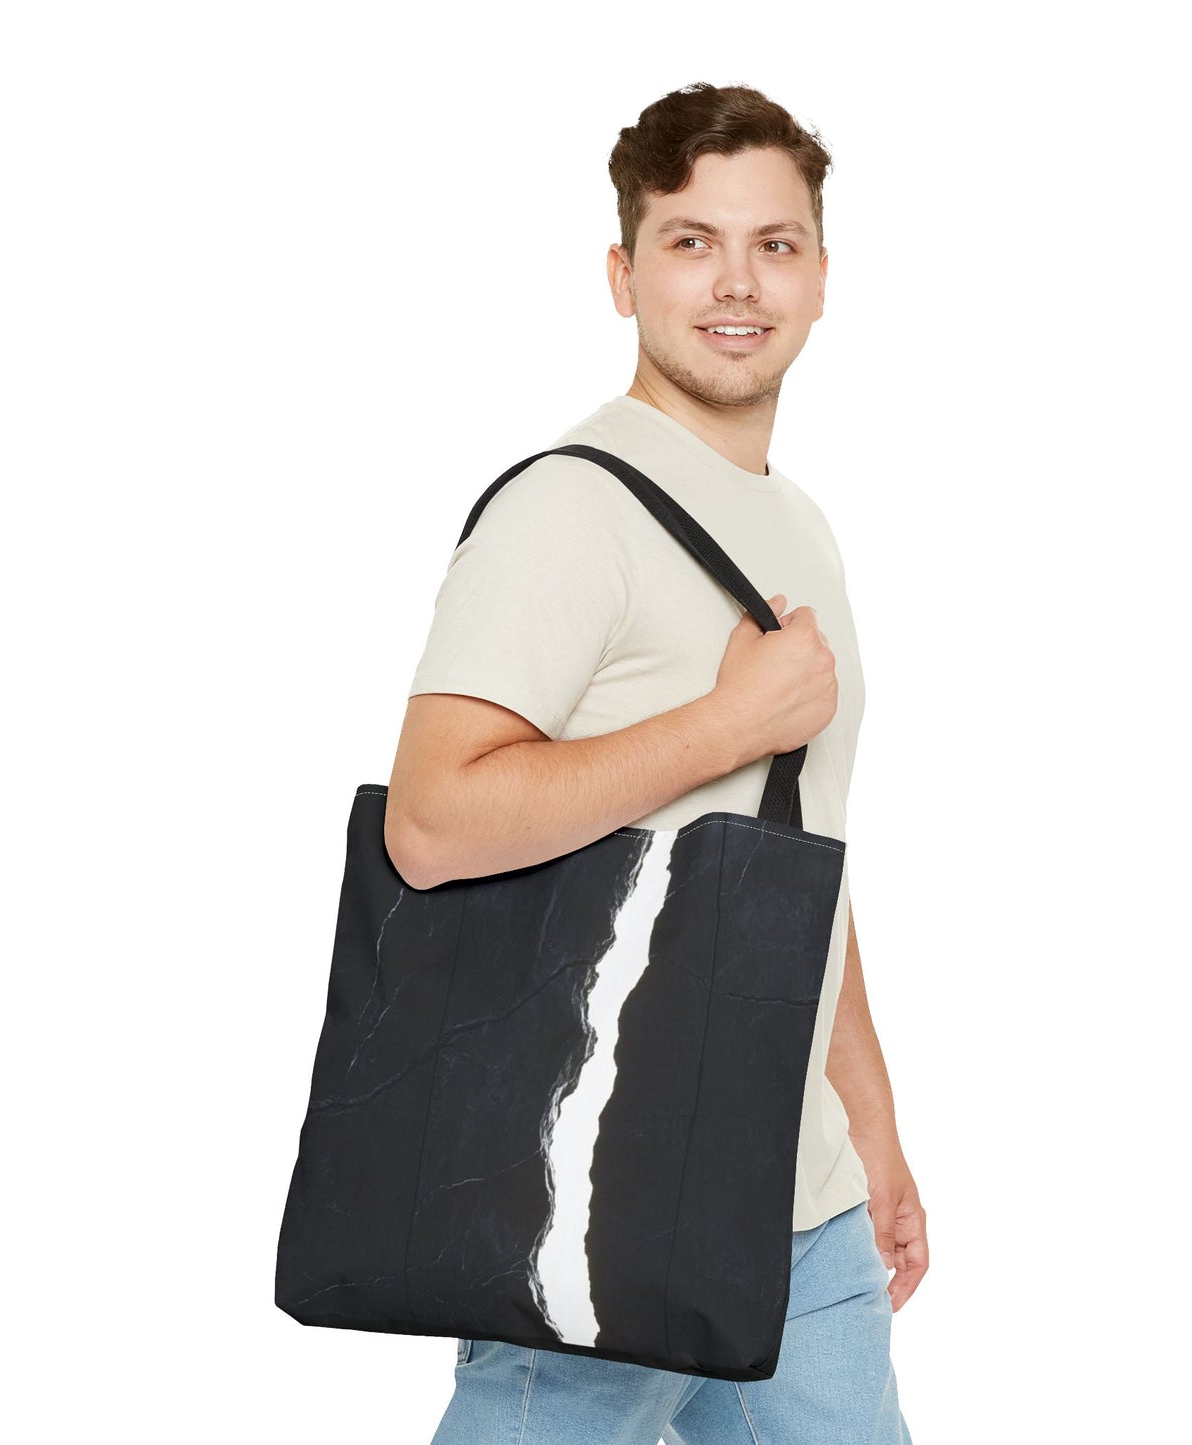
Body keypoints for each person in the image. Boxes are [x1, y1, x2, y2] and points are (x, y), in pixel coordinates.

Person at [386, 80, 924, 1445]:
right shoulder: (568, 508)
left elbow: (797, 850)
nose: (735, 282)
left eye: (773, 243)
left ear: (817, 277)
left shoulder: (796, 522)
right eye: (690, 241)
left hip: (800, 1216)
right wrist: (719, 724)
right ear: (622, 275)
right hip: (596, 1211)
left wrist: (870, 1131)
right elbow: (432, 823)